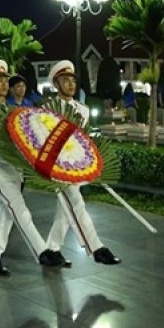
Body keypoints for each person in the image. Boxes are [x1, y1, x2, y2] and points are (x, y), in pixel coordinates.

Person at [0, 60, 63, 276]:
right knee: (19, 207)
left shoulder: (10, 109)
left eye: (6, 80)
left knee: (6, 213)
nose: (5, 84)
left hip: (14, 169)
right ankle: (42, 251)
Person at [45, 60, 121, 266]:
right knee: (77, 204)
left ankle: (51, 249)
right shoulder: (48, 110)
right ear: (56, 84)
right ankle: (96, 248)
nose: (70, 84)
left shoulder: (83, 109)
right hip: (58, 167)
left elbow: (85, 140)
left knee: (66, 210)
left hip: (76, 166)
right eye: (64, 80)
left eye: (72, 80)